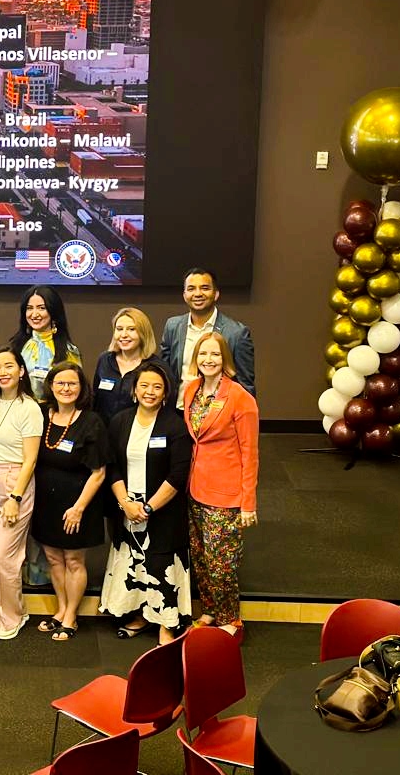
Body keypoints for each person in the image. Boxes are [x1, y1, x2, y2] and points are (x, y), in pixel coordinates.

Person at [98, 361, 192, 645]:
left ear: (165, 393)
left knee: (159, 563)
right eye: (144, 386)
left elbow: (178, 474)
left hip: (161, 510)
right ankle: (139, 614)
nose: (149, 392)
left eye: (157, 387)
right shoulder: (120, 421)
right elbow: (111, 466)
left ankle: (167, 624)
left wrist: (149, 507)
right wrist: (126, 502)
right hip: (127, 508)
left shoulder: (174, 425)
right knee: (134, 563)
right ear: (134, 390)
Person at [183, 331, 259, 640]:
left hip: (226, 495)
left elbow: (250, 453)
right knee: (201, 557)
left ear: (224, 359)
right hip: (195, 489)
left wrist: (248, 502)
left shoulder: (241, 398)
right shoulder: (191, 391)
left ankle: (232, 620)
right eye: (203, 354)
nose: (208, 360)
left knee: (222, 564)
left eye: (215, 354)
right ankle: (211, 610)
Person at [30, 361, 107, 642]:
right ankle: (60, 609)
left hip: (78, 503)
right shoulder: (41, 414)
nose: (66, 388)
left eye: (72, 383)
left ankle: (71, 615)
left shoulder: (91, 421)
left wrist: (78, 508)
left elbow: (99, 473)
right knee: (53, 558)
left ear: (81, 388)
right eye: (60, 383)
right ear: (51, 386)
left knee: (73, 560)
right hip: (45, 502)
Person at [0, 347, 43, 640]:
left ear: (21, 371)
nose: (2, 372)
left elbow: (30, 459)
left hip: (15, 481)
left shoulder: (30, 407)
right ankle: (9, 607)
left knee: (5, 555)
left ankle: (11, 617)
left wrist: (15, 497)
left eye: (8, 366)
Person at [160, 268, 256, 407]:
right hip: (178, 412)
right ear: (184, 294)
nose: (198, 294)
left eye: (204, 288)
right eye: (191, 288)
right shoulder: (173, 326)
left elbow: (246, 385)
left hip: (217, 416)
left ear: (216, 294)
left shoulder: (236, 333)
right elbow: (164, 372)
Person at [93, 307, 174, 423]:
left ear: (143, 333)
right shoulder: (104, 360)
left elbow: (167, 407)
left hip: (136, 433)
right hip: (103, 434)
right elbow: (95, 400)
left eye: (131, 329)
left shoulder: (157, 367)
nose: (124, 335)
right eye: (119, 329)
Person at [11, 285, 81, 400]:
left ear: (53, 311)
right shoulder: (16, 347)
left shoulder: (68, 351)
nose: (34, 314)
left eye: (41, 308)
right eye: (29, 308)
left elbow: (75, 388)